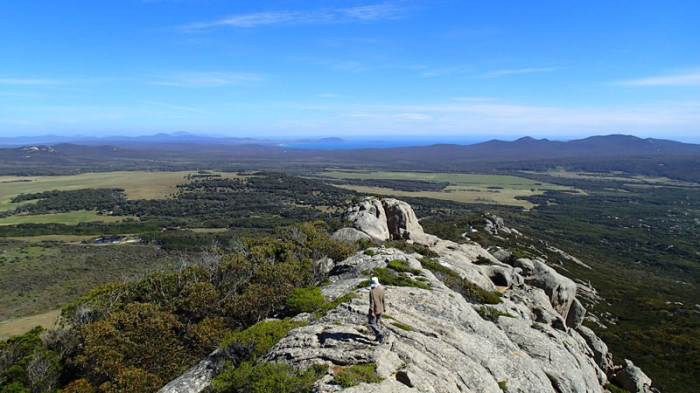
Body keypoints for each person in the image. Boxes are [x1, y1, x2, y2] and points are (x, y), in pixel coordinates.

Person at [368, 276, 386, 343]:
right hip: (381, 309)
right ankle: (378, 338)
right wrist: (384, 307)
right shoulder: (382, 289)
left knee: (371, 323)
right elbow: (383, 299)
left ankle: (379, 334)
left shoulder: (372, 292)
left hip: (375, 310)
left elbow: (371, 302)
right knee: (377, 322)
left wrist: (372, 311)